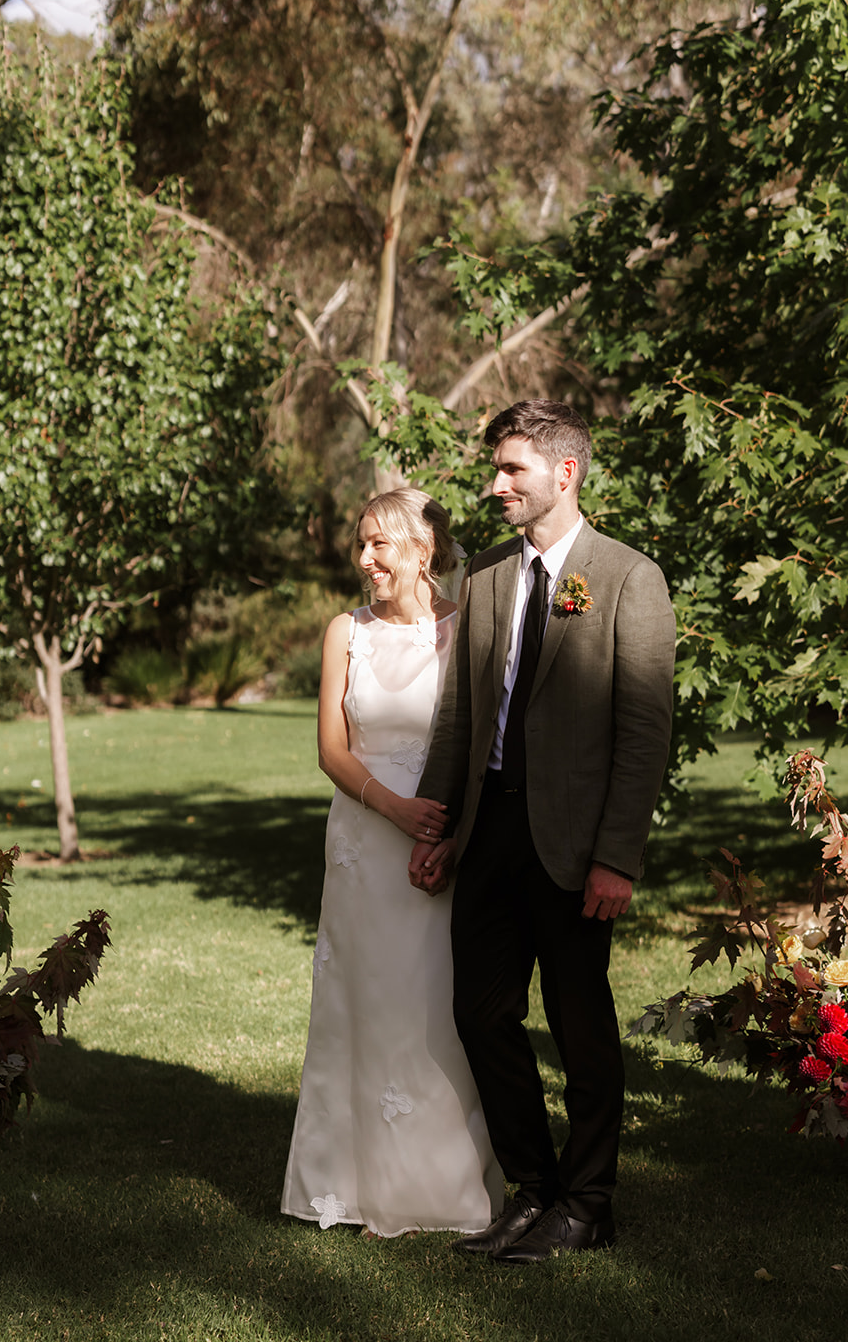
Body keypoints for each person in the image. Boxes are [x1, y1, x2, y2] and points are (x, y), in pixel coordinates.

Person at [410, 400, 675, 1264]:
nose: (495, 485)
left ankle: (588, 1204)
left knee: (578, 1024)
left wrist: (615, 858)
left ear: (564, 473)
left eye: (511, 469)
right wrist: (438, 821)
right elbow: (459, 713)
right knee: (480, 1014)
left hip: (574, 846)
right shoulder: (488, 575)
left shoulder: (628, 578)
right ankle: (533, 1191)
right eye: (495, 468)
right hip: (488, 830)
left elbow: (643, 735)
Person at [281, 488, 503, 1238]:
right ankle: (346, 1182)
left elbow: (481, 749)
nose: (365, 558)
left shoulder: (467, 630)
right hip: (363, 845)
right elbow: (331, 751)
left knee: (434, 1005)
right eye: (361, 543)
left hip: (443, 847)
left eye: (379, 543)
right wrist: (396, 810)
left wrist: (446, 835)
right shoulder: (344, 632)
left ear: (423, 548)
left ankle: (442, 1183)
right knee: (361, 1002)